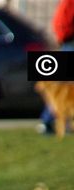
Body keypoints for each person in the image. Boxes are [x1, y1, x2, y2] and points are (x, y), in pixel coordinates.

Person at [38, 0, 74, 134]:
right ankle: (48, 121)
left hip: (67, 41)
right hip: (70, 42)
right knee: (60, 88)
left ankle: (52, 121)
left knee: (60, 88)